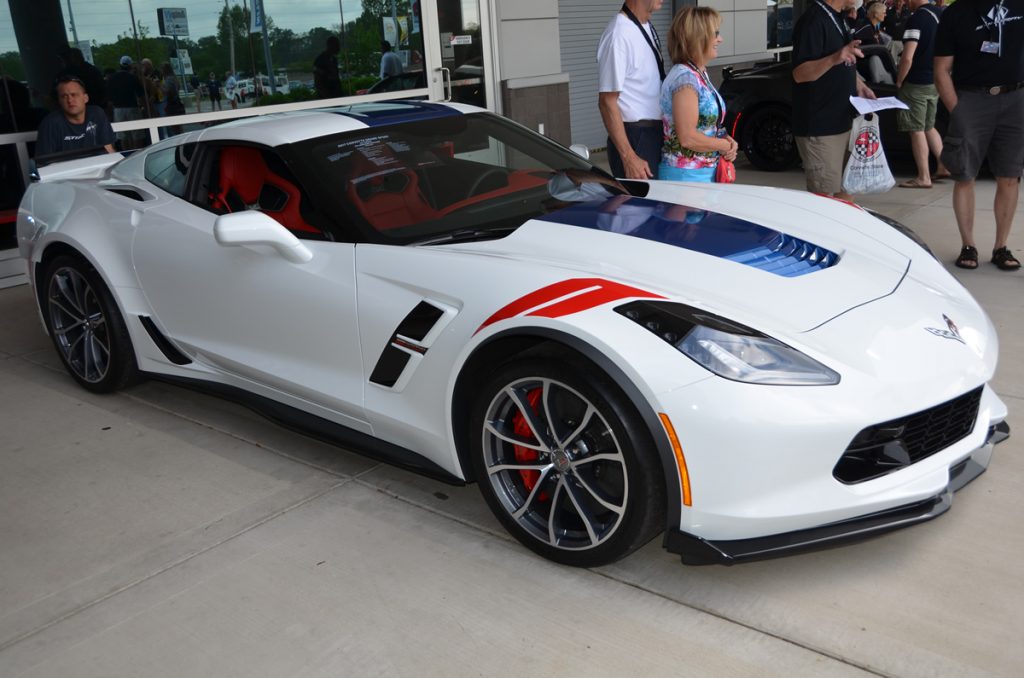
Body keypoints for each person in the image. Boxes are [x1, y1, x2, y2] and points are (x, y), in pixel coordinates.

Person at [934, 0, 1024, 271]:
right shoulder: (957, 12)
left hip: (1016, 97)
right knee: (964, 175)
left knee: (1010, 176)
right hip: (971, 98)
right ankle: (968, 245)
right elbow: (941, 70)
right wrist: (958, 110)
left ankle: (1001, 247)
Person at [791, 0, 877, 201]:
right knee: (826, 200)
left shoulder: (839, 17)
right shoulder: (813, 21)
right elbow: (799, 73)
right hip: (821, 128)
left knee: (845, 194)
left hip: (843, 120)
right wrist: (834, 57)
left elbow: (842, 60)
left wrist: (859, 85)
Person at [659, 6, 738, 182]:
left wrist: (728, 141)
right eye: (715, 33)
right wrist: (724, 145)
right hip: (687, 176)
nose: (720, 39)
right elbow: (687, 138)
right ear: (698, 37)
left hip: (699, 174)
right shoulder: (685, 78)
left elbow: (706, 127)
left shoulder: (697, 73)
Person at [597, 0, 667, 180]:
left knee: (658, 206)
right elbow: (607, 102)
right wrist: (629, 157)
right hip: (636, 139)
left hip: (654, 134)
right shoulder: (618, 34)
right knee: (640, 207)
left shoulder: (645, 26)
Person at [894, 0, 947, 188]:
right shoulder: (941, 14)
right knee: (928, 125)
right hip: (935, 80)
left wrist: (900, 80)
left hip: (916, 82)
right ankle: (943, 165)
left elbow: (908, 57)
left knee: (915, 129)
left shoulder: (916, 19)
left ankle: (923, 177)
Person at [35, 75, 114, 157]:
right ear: (59, 101)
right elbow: (45, 164)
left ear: (85, 98)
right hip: (66, 169)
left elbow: (108, 148)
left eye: (74, 95)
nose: (69, 100)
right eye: (64, 96)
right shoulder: (50, 123)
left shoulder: (96, 114)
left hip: (97, 167)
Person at [106, 56, 145, 150]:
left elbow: (108, 95)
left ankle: (126, 155)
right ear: (130, 65)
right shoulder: (133, 77)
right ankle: (137, 152)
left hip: (118, 109)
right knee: (137, 134)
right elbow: (141, 94)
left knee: (122, 135)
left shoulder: (112, 78)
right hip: (132, 107)